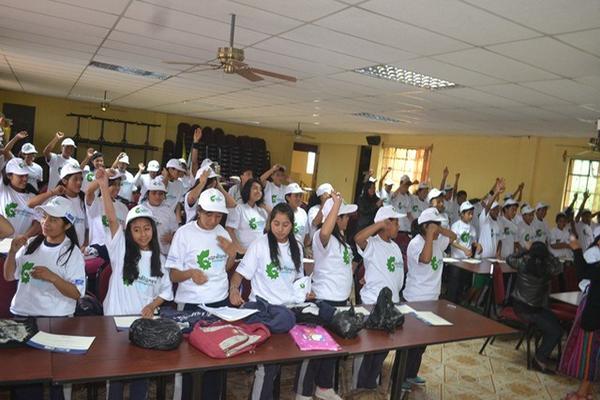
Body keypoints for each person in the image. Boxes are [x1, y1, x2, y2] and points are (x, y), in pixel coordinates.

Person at [97, 166, 173, 400]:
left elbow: (166, 291)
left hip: (143, 325)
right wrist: (102, 185)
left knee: (141, 372)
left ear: (153, 230)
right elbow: (111, 218)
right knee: (116, 372)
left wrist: (152, 305)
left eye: (147, 228)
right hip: (115, 322)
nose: (142, 234)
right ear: (129, 232)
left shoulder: (159, 260)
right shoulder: (120, 250)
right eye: (137, 229)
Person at [3, 196, 85, 400]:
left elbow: (77, 294)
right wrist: (12, 253)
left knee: (56, 374)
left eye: (53, 219)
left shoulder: (72, 253)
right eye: (44, 217)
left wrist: (53, 278)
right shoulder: (30, 244)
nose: (45, 223)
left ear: (66, 225)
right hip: (22, 316)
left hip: (55, 320)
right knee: (24, 376)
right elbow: (8, 275)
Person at [229, 203, 309, 400]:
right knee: (268, 367)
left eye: (285, 225)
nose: (280, 229)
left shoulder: (297, 247)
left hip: (289, 309)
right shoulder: (260, 244)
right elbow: (239, 274)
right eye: (276, 223)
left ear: (292, 226)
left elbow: (299, 280)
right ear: (269, 223)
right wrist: (233, 290)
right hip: (266, 309)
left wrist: (306, 290)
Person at [167, 188, 236, 400]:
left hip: (219, 302)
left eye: (218, 216)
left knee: (217, 359)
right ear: (198, 210)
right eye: (209, 215)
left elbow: (225, 268)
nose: (213, 220)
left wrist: (232, 253)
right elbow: (172, 275)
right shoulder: (184, 234)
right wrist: (190, 274)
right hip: (191, 304)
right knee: (187, 360)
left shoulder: (222, 233)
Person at [293, 193, 356, 400]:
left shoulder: (343, 243)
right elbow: (325, 231)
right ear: (336, 218)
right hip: (323, 301)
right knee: (314, 347)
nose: (348, 219)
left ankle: (324, 386)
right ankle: (302, 392)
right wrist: (336, 203)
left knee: (332, 348)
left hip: (340, 303)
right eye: (344, 216)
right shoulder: (323, 238)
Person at [350, 205, 405, 393]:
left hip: (392, 304)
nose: (398, 226)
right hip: (373, 302)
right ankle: (359, 384)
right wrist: (380, 224)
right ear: (384, 224)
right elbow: (358, 238)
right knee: (368, 346)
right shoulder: (372, 244)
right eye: (395, 222)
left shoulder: (396, 247)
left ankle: (371, 381)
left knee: (383, 347)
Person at [403, 207, 456, 390]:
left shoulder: (438, 240)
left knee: (422, 342)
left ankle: (411, 374)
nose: (438, 230)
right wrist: (429, 236)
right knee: (410, 342)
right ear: (424, 227)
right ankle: (400, 377)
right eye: (433, 226)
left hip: (433, 298)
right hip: (415, 298)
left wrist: (438, 230)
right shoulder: (416, 243)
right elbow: (426, 259)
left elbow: (454, 236)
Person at [507, 242, 563, 373]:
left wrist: (524, 250)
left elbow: (509, 258)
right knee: (556, 331)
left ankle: (542, 353)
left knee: (554, 323)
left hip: (520, 306)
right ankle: (539, 359)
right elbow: (559, 266)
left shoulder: (522, 263)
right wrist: (548, 254)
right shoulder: (548, 268)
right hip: (533, 311)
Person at [559, 235, 600, 400]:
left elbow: (583, 272)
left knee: (589, 354)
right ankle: (587, 390)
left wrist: (576, 249)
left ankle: (582, 394)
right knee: (595, 354)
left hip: (595, 314)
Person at [27, 164, 87, 247]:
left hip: (79, 250)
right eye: (75, 179)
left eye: (81, 179)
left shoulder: (84, 200)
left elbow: (87, 227)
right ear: (65, 181)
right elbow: (30, 204)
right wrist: (53, 192)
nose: (79, 182)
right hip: (59, 248)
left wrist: (84, 245)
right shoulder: (56, 200)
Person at [85, 168, 128, 261]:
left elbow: (124, 231)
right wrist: (103, 178)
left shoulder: (123, 207)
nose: (117, 188)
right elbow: (89, 191)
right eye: (113, 184)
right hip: (98, 252)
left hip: (117, 252)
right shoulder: (96, 202)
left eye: (119, 184)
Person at [447, 201, 481, 303]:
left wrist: (477, 245)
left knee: (462, 284)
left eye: (472, 214)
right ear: (462, 214)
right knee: (454, 284)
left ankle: (458, 304)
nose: (471, 216)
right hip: (456, 260)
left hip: (466, 261)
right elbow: (452, 242)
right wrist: (464, 249)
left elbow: (473, 242)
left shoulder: (472, 228)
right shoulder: (455, 226)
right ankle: (450, 304)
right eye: (468, 214)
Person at [225, 178, 268, 255]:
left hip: (259, 252)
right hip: (244, 253)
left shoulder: (262, 212)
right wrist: (239, 249)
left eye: (260, 189)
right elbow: (229, 230)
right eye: (255, 188)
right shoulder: (239, 209)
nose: (258, 191)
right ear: (248, 190)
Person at [0, 158, 41, 239]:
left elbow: (38, 223)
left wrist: (25, 236)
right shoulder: (3, 189)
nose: (25, 179)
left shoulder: (33, 197)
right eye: (20, 175)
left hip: (22, 246)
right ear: (9, 176)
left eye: (26, 175)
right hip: (2, 244)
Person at [138, 179, 178, 257]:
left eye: (160, 194)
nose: (157, 196)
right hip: (144, 254)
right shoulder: (140, 210)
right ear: (147, 194)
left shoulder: (169, 211)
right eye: (154, 193)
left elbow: (175, 231)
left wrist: (172, 238)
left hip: (164, 254)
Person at [285, 183, 310, 247]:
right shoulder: (282, 212)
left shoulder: (303, 213)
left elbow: (306, 235)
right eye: (296, 196)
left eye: (300, 196)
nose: (299, 198)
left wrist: (306, 248)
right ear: (288, 197)